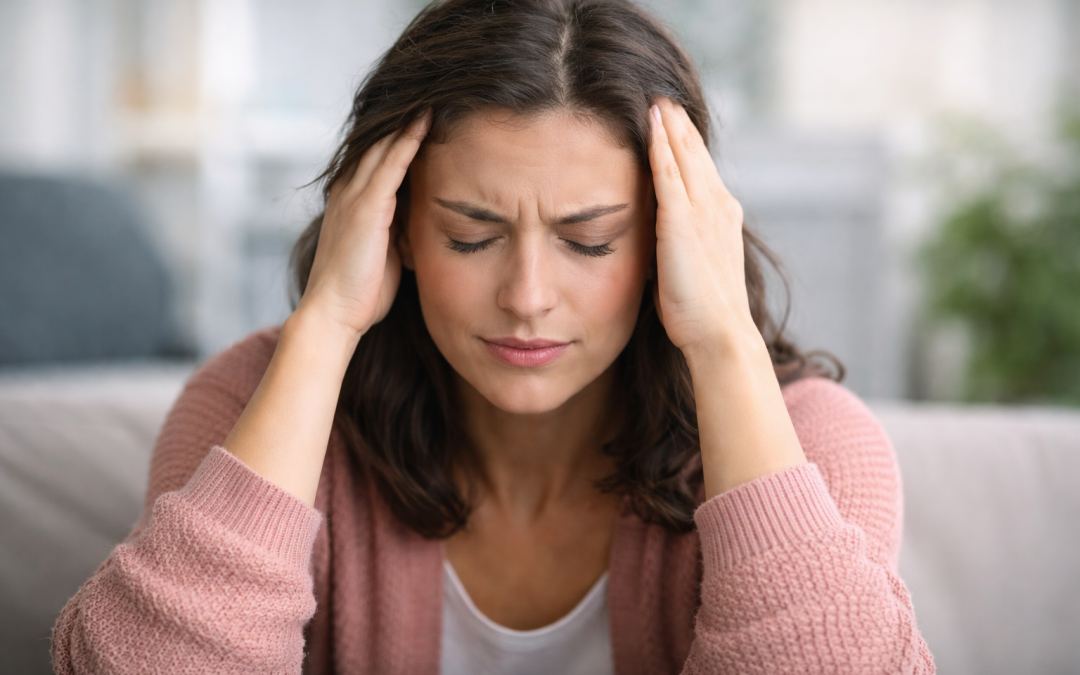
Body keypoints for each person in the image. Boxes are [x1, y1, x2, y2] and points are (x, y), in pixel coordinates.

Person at [52, 0, 935, 673]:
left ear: (676, 237)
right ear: (392, 226)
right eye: (470, 235)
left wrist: (722, 342)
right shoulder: (250, 407)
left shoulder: (816, 445)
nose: (526, 297)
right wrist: (324, 326)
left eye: (590, 240)